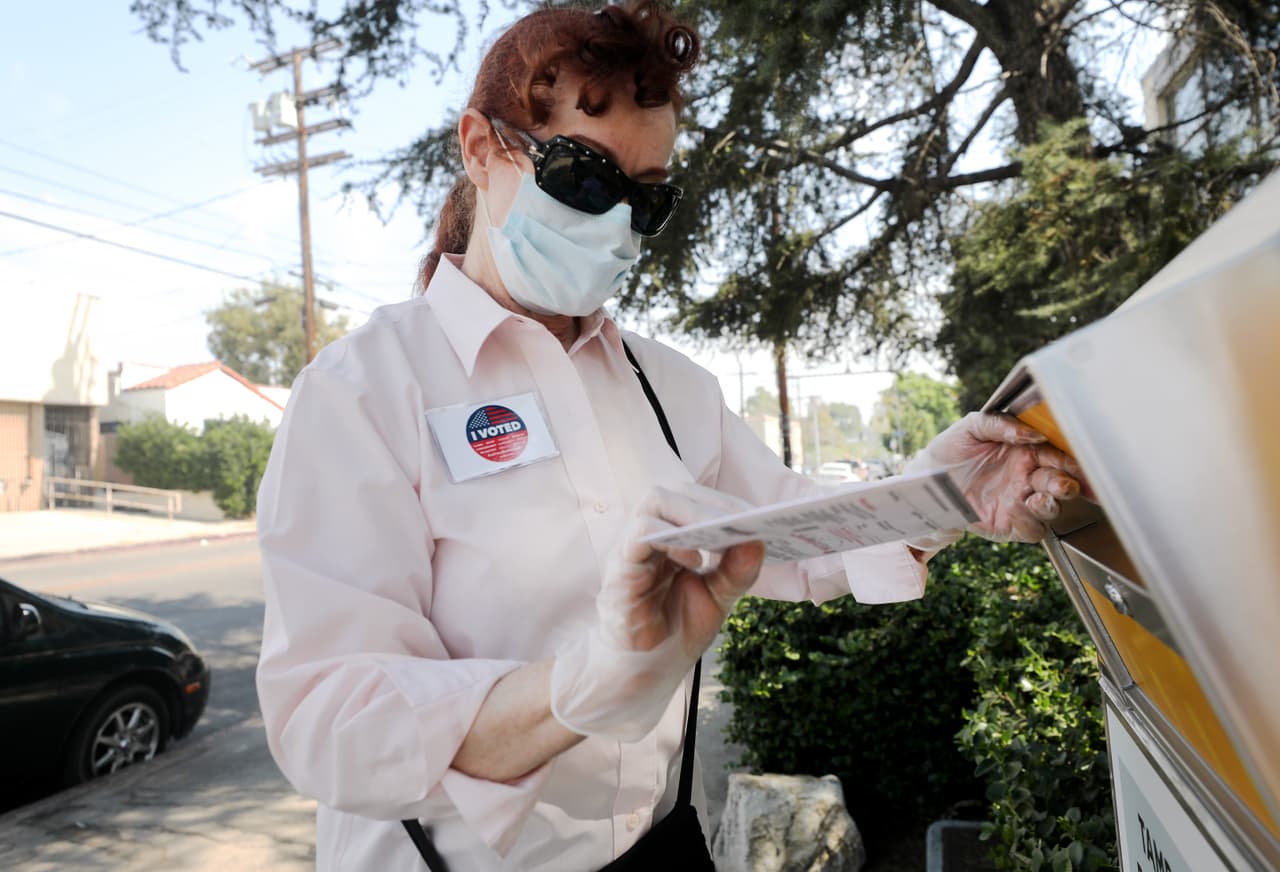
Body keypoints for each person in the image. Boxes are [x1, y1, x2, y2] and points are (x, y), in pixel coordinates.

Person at [254, 3, 1087, 870]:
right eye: (584, 177)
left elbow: (793, 533)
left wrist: (939, 492)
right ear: (480, 149)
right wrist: (587, 683)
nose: (615, 223)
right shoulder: (362, 392)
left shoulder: (670, 387)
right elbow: (333, 720)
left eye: (646, 194)